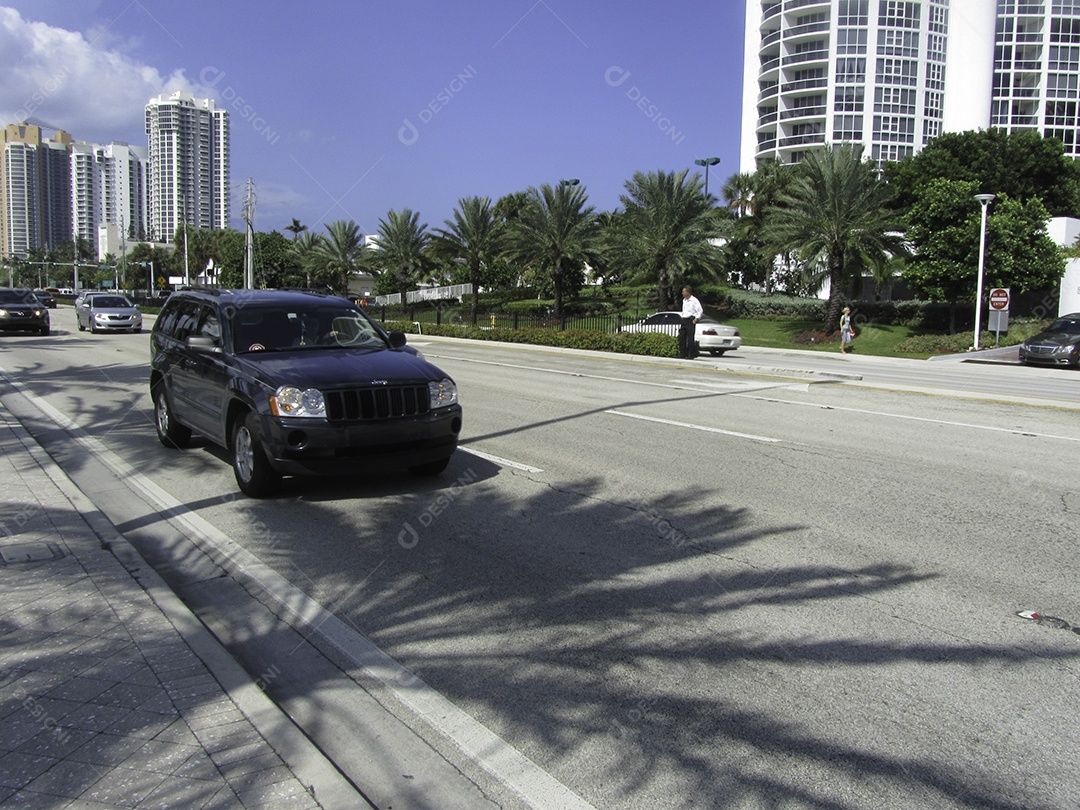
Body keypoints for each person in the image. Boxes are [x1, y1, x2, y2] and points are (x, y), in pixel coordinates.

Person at [679, 286, 703, 359]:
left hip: (690, 320)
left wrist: (696, 319)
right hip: (684, 319)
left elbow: (700, 310)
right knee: (682, 337)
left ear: (688, 292)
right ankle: (683, 353)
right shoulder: (684, 300)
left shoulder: (694, 300)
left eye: (684, 291)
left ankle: (690, 354)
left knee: (690, 338)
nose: (682, 293)